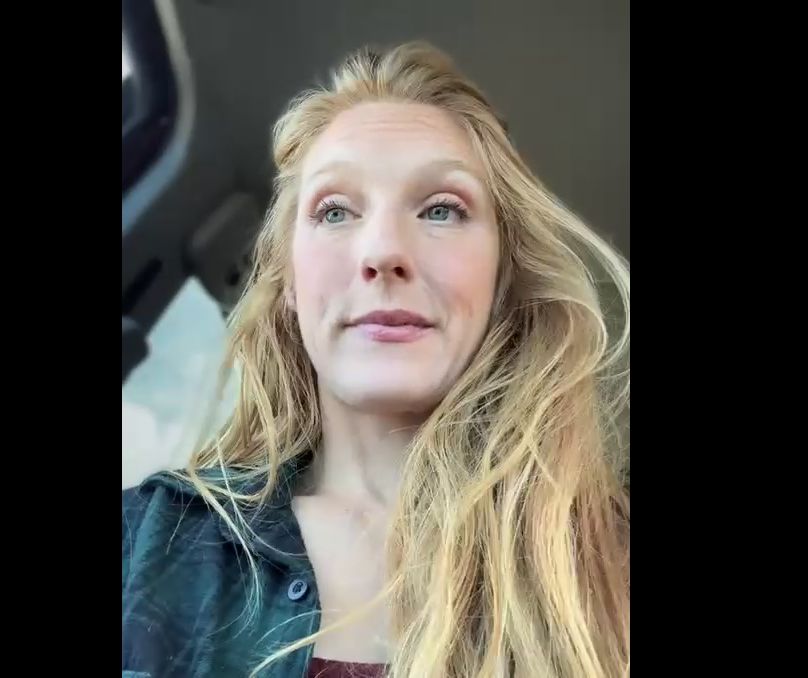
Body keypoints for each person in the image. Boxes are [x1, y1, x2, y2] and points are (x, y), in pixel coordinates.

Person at [123, 41, 629, 678]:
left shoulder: (612, 563)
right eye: (335, 211)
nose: (383, 250)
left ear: (503, 279)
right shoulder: (139, 544)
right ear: (288, 284)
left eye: (441, 209)